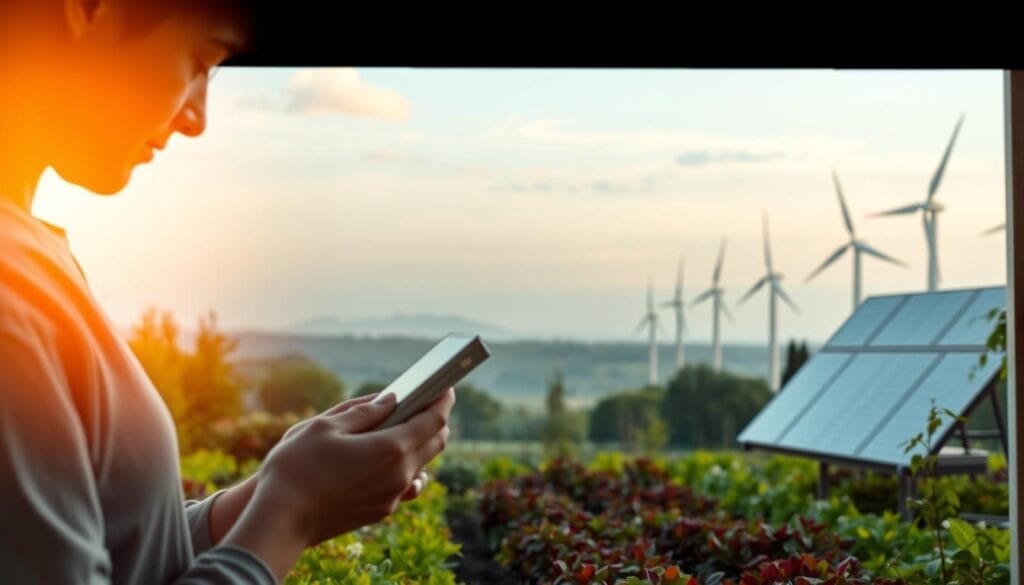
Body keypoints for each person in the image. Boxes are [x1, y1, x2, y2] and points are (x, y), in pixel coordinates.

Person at [0, 1, 455, 583]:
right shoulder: (11, 296)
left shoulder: (35, 254)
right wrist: (291, 515)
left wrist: (272, 488)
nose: (198, 118)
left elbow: (124, 550)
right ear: (87, 11)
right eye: (200, 59)